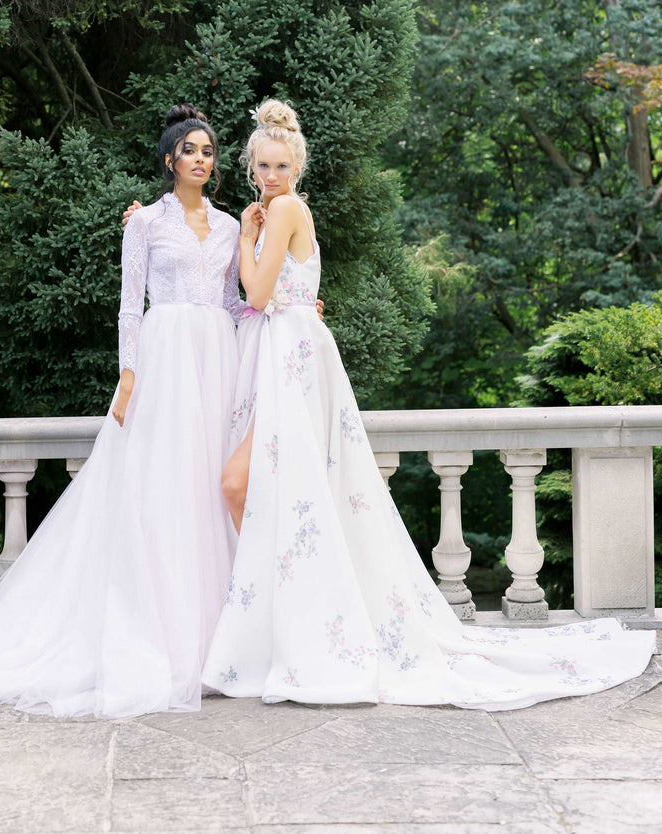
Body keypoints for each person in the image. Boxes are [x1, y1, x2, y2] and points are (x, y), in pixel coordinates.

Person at [200, 99, 656, 710]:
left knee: (247, 485)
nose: (271, 176)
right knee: (285, 492)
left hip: (291, 359)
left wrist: (245, 239)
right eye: (263, 166)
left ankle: (287, 617)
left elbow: (257, 295)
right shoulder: (288, 209)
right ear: (251, 165)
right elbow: (282, 295)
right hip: (291, 353)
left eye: (282, 166)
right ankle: (283, 616)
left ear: (297, 167)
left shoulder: (281, 210)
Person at [0, 104, 246, 718]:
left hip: (216, 362)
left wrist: (289, 307)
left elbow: (233, 302)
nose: (200, 159)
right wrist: (128, 376)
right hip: (165, 362)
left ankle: (219, 642)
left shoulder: (229, 227)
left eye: (208, 151)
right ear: (169, 159)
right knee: (161, 484)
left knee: (206, 486)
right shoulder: (144, 222)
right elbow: (129, 305)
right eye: (189, 150)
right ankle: (160, 634)